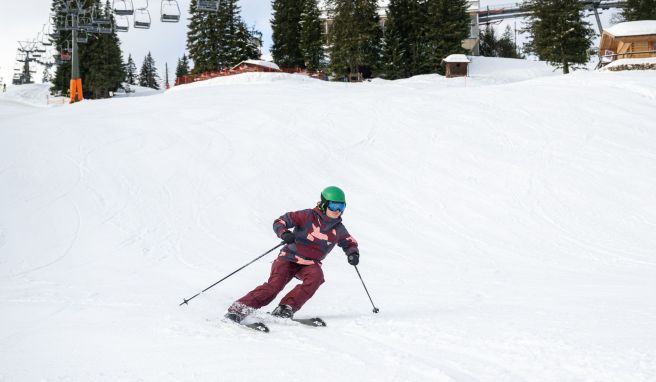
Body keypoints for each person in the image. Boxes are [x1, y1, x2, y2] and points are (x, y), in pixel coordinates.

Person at [225, 186, 360, 322]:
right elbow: (280, 221)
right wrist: (284, 233)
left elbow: (349, 242)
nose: (337, 211)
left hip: (309, 263)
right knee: (275, 286)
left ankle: (286, 308)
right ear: (324, 204)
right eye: (334, 206)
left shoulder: (338, 228)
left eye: (342, 207)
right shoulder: (307, 216)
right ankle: (239, 309)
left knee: (316, 277)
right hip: (289, 257)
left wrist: (352, 253)